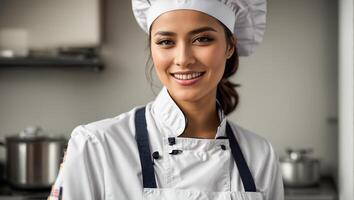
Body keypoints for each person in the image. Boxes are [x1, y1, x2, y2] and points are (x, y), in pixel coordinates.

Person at [48, 0, 284, 199]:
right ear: (152, 48)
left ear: (230, 46)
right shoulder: (96, 145)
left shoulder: (259, 155)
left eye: (202, 39)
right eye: (166, 42)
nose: (183, 59)